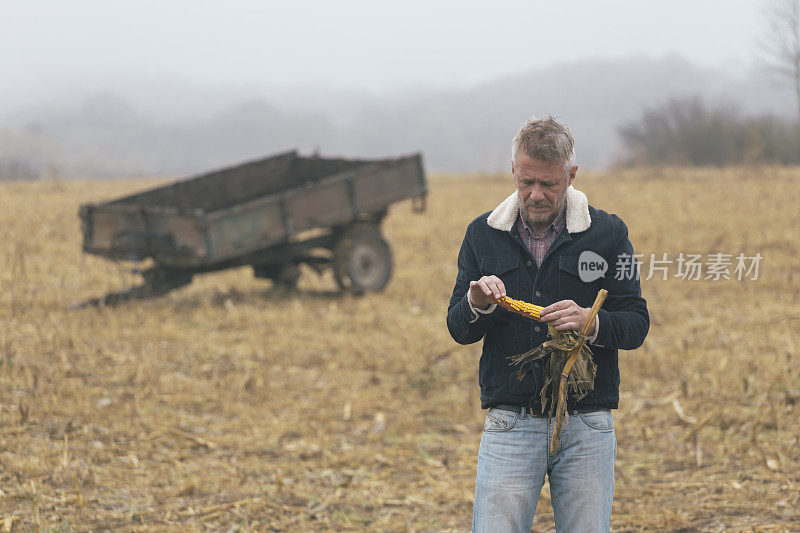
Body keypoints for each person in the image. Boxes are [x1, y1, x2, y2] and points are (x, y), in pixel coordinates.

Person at [446, 116, 649, 532]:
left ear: (571, 176)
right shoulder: (481, 234)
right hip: (509, 423)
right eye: (526, 182)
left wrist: (590, 323)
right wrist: (476, 303)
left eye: (549, 184)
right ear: (514, 172)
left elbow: (636, 322)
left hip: (587, 426)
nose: (535, 194)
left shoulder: (609, 234)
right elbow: (458, 328)